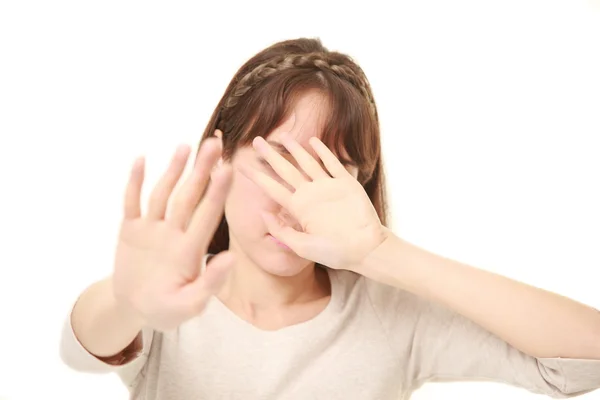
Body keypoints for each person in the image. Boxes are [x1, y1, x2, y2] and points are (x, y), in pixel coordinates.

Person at [60, 37, 600, 399]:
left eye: (326, 172)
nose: (294, 201)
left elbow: (584, 357)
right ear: (219, 159)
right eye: (274, 162)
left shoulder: (389, 314)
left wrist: (382, 252)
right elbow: (83, 346)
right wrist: (128, 298)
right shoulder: (174, 299)